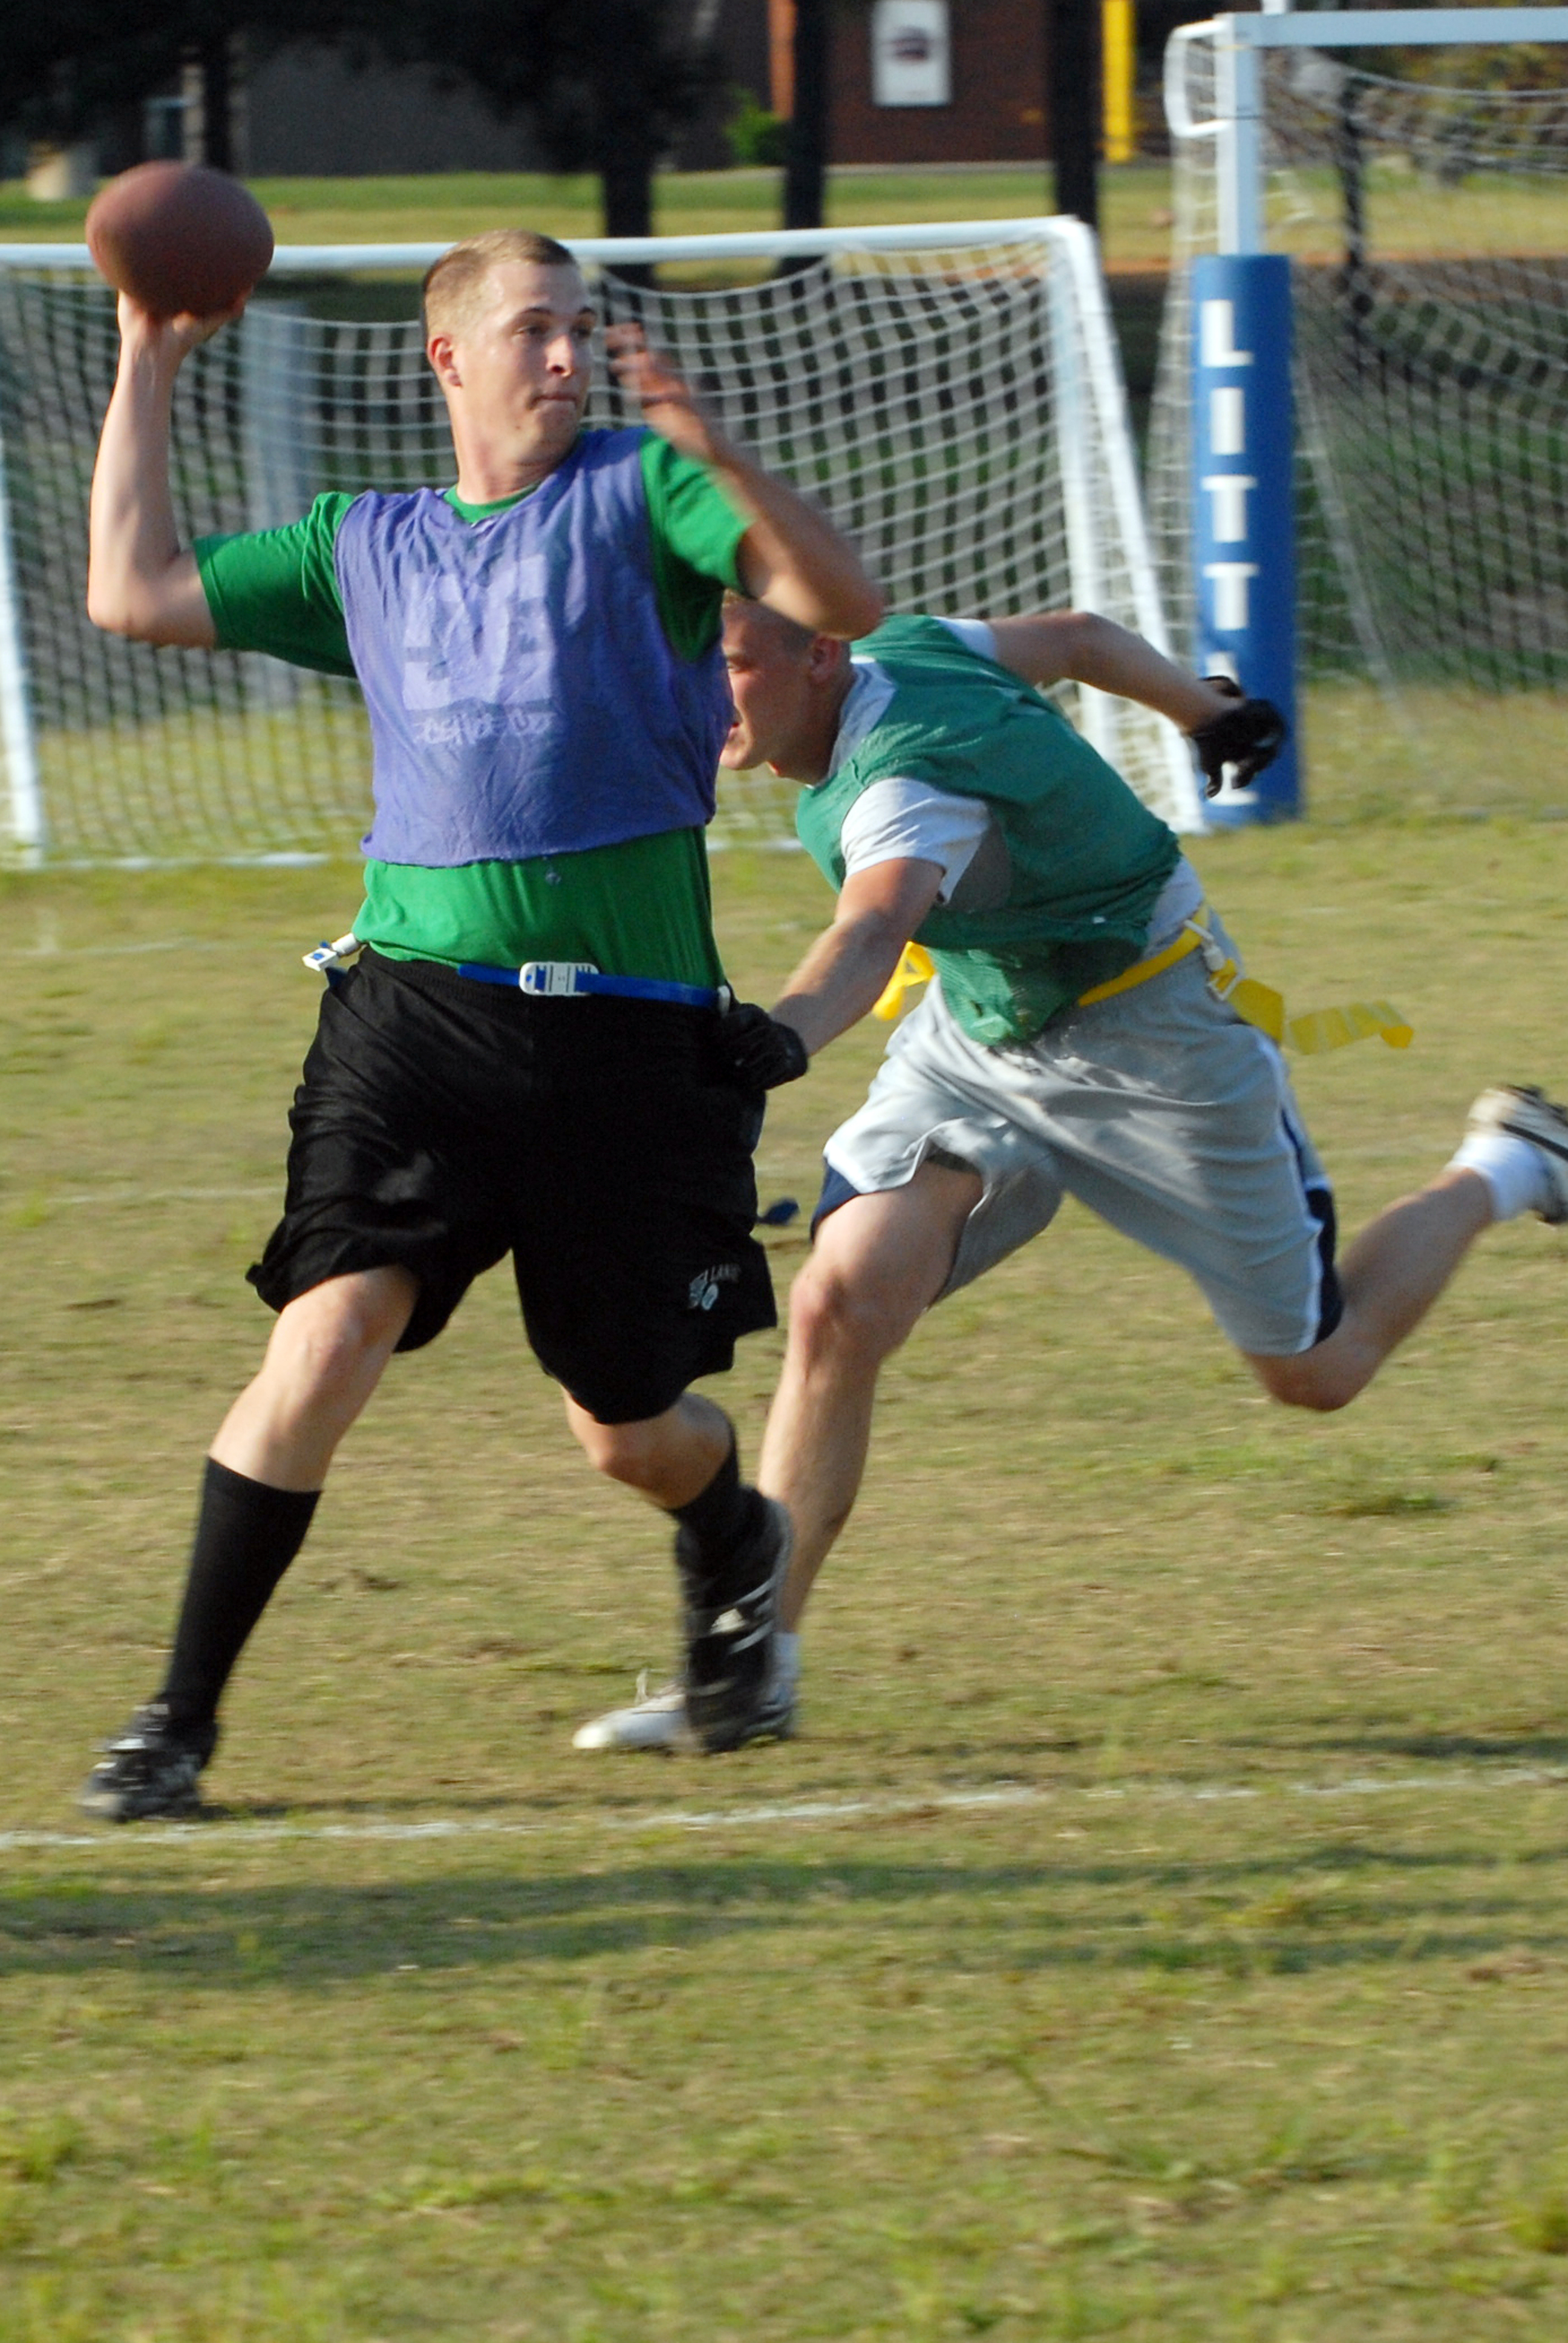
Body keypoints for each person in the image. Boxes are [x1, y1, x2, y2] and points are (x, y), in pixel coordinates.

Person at [79, 229, 884, 1819]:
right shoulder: (360, 542)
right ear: (447, 360)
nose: (570, 356)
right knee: (331, 1331)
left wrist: (712, 446)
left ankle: (732, 1530)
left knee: (630, 1428)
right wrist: (148, 354)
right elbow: (132, 593)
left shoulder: (647, 498)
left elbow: (844, 598)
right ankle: (173, 1725)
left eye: (583, 328)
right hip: (413, 1020)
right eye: (535, 332)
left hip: (630, 1045)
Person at [573, 596, 1568, 1750]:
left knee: (1316, 1369)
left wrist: (779, 1038)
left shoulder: (904, 781)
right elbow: (1082, 638)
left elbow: (874, 926)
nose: (700, 697)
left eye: (730, 666)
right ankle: (753, 1671)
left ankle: (1509, 1162)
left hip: (1156, 1041)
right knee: (839, 1300)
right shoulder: (910, 647)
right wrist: (1211, 714)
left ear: (820, 656)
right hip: (983, 1032)